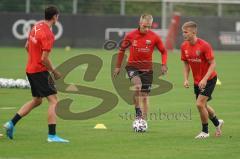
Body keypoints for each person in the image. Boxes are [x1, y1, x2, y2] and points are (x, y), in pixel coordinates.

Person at [3, 6, 69, 143]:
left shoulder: (36, 25)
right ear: (55, 17)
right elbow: (44, 59)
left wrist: (33, 58)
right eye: (58, 16)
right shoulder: (48, 35)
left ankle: (11, 123)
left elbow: (27, 46)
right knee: (54, 101)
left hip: (30, 69)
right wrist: (54, 72)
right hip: (39, 71)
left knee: (37, 100)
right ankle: (52, 136)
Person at [113, 14, 168, 120]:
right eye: (145, 26)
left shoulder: (154, 37)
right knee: (138, 86)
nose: (147, 29)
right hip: (132, 67)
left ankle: (143, 121)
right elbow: (121, 50)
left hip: (147, 70)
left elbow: (164, 51)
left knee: (145, 97)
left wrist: (164, 64)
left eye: (149, 27)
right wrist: (118, 66)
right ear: (140, 23)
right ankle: (138, 110)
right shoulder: (130, 35)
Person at [180, 21, 224, 139]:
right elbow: (185, 64)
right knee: (203, 105)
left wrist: (204, 79)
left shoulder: (204, 45)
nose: (184, 34)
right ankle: (217, 123)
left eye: (186, 32)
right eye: (183, 32)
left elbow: (213, 64)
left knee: (199, 104)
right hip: (197, 81)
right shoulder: (184, 46)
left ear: (194, 32)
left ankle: (205, 132)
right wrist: (185, 79)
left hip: (209, 79)